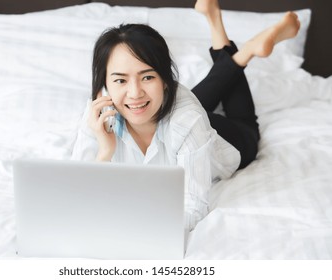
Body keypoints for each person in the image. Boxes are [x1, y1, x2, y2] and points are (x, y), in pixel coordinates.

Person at [72, 0, 300, 231]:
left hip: (227, 139)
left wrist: (140, 232)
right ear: (105, 85)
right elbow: (75, 196)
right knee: (169, 102)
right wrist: (104, 153)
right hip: (170, 112)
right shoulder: (99, 114)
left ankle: (247, 49)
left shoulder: (189, 121)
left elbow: (193, 208)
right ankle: (231, 39)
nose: (134, 92)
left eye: (148, 77)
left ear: (166, 80)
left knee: (243, 123)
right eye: (120, 80)